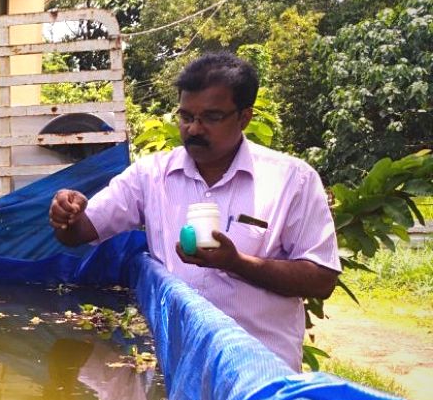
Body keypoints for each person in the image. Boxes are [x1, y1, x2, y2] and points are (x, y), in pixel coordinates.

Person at [48, 51, 340, 371]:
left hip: (258, 376)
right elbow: (79, 233)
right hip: (175, 370)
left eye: (211, 117)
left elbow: (321, 279)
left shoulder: (292, 181)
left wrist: (236, 263)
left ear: (244, 117)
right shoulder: (152, 175)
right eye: (186, 117)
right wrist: (67, 214)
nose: (194, 129)